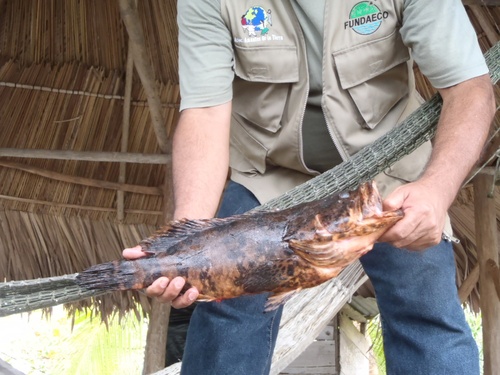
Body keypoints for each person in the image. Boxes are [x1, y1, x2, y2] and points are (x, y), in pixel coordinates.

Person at [123, 1, 496, 374]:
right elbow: (205, 113)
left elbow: (470, 88)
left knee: (425, 307)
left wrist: (436, 190)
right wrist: (186, 247)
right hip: (270, 178)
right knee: (227, 313)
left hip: (388, 172)